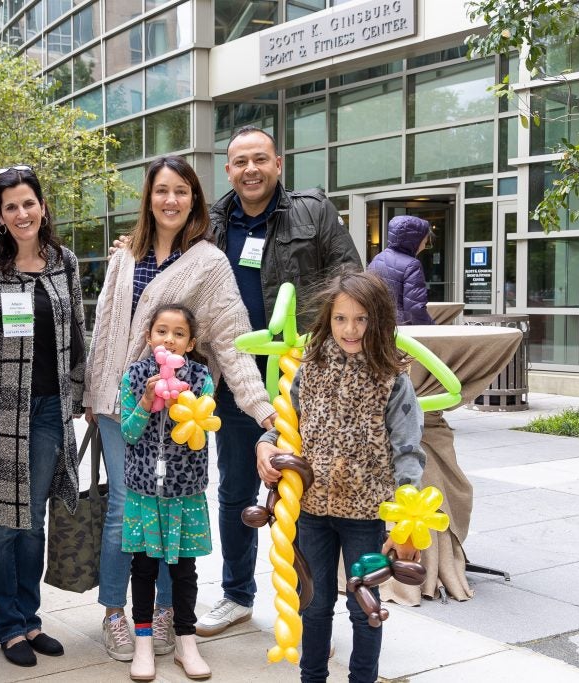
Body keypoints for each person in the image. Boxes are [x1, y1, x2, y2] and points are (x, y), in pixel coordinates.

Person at [84, 155, 274, 662]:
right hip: (120, 405)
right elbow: (105, 328)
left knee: (168, 509)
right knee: (126, 509)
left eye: (182, 192)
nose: (171, 200)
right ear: (149, 197)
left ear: (195, 200)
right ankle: (114, 614)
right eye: (162, 190)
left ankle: (166, 612)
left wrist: (263, 410)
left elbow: (233, 341)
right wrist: (93, 396)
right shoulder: (125, 255)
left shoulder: (209, 263)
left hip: (177, 417)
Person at [198, 126, 362, 637]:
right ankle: (236, 595)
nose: (250, 169)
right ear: (228, 170)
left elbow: (351, 279)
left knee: (306, 496)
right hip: (236, 379)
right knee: (235, 491)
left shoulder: (313, 212)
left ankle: (308, 605)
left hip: (302, 379)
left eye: (260, 160)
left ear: (278, 163)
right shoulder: (213, 224)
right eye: (240, 161)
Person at [0, 165, 86, 668]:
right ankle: (7, 627)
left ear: (42, 206)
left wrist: (80, 393)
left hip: (50, 411)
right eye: (11, 207)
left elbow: (77, 336)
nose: (22, 213)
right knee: (4, 523)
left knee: (33, 523)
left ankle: (30, 619)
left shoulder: (64, 262)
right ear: (0, 216)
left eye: (29, 203)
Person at [255, 270, 425, 683]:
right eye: (341, 318)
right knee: (313, 603)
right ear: (328, 318)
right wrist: (265, 443)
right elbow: (285, 424)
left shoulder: (393, 381)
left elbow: (408, 454)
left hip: (365, 516)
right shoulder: (308, 369)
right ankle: (311, 677)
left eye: (362, 319)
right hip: (312, 510)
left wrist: (406, 521)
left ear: (379, 321)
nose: (350, 329)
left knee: (363, 605)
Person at [120, 304, 214, 681]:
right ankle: (143, 640)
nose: (169, 339)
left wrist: (182, 405)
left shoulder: (201, 378)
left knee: (183, 569)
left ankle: (185, 639)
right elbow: (127, 432)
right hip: (143, 491)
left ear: (191, 343)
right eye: (162, 331)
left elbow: (201, 435)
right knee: (142, 567)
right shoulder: (135, 375)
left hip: (184, 492)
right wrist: (146, 401)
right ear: (149, 338)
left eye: (178, 334)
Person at [367, 215, 435, 325]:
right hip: (401, 332)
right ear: (415, 240)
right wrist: (434, 328)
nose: (424, 246)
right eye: (424, 242)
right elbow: (415, 310)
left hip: (378, 328)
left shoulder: (377, 259)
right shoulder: (412, 265)